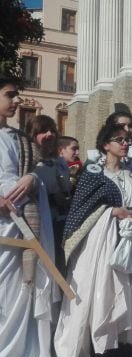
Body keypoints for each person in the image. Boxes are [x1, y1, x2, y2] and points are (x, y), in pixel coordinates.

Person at [55, 123, 132, 357]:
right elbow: (81, 209)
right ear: (105, 144)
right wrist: (112, 211)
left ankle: (125, 350)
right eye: (119, 139)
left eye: (127, 139)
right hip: (102, 245)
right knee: (103, 294)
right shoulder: (93, 173)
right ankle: (99, 354)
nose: (125, 143)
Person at [0, 76, 56, 357]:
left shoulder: (21, 140)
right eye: (10, 95)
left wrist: (32, 179)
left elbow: (38, 176)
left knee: (19, 294)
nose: (17, 101)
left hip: (22, 228)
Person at [26, 115, 72, 274]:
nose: (49, 134)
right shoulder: (28, 162)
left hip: (61, 221)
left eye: (52, 130)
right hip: (39, 222)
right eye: (43, 131)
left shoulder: (60, 162)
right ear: (32, 134)